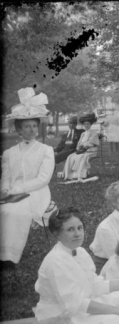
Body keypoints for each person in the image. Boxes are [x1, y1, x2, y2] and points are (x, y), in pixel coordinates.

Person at [1, 87, 54, 264]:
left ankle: (9, 256)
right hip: (12, 192)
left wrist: (17, 189)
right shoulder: (10, 153)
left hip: (36, 193)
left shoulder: (46, 150)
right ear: (19, 130)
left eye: (34, 126)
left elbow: (43, 179)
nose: (31, 130)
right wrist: (5, 189)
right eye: (27, 127)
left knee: (12, 211)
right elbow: (6, 176)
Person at [62, 113, 99, 181]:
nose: (86, 125)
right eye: (85, 124)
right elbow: (79, 143)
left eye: (88, 124)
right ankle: (69, 175)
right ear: (83, 125)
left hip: (91, 151)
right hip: (83, 150)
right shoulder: (83, 133)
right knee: (70, 157)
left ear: (91, 125)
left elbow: (92, 144)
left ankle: (79, 175)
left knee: (81, 157)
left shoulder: (94, 133)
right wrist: (79, 147)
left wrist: (84, 145)